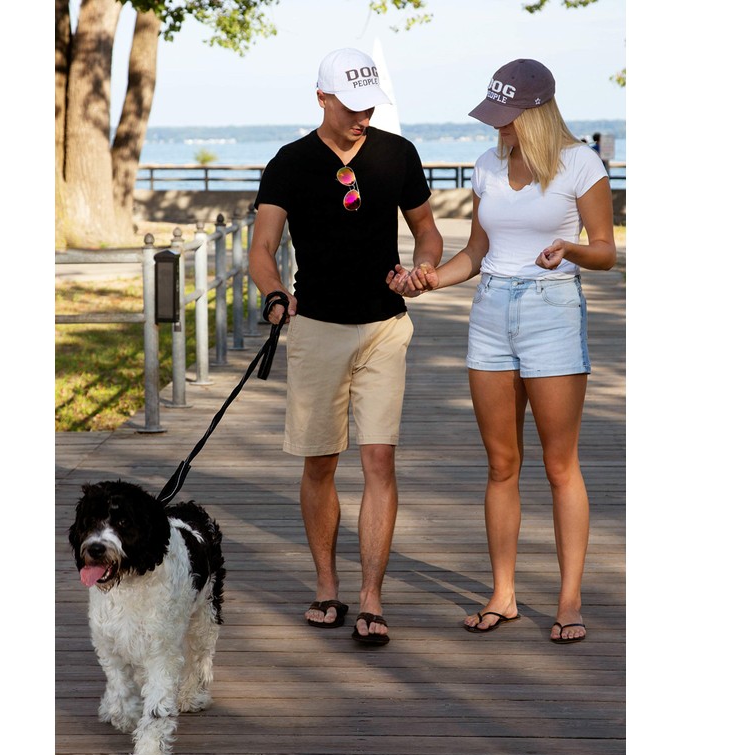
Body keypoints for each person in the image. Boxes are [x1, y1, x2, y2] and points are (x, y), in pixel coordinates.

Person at [388, 59, 615, 644]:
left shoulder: (580, 163)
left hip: (551, 312)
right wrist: (429, 279)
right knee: (501, 465)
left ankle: (569, 600)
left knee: (560, 465)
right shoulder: (487, 165)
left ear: (536, 113)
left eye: (506, 115)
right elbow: (476, 252)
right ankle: (503, 594)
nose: (497, 125)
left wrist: (568, 249)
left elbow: (605, 251)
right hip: (490, 314)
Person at [248, 47, 443, 646]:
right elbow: (262, 248)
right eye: (352, 106)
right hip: (316, 328)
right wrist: (275, 292)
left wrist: (423, 268)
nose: (363, 117)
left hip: (385, 326)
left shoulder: (397, 153)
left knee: (379, 460)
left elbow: (427, 230)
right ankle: (327, 585)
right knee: (320, 462)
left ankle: (372, 597)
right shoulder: (289, 163)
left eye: (370, 106)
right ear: (322, 98)